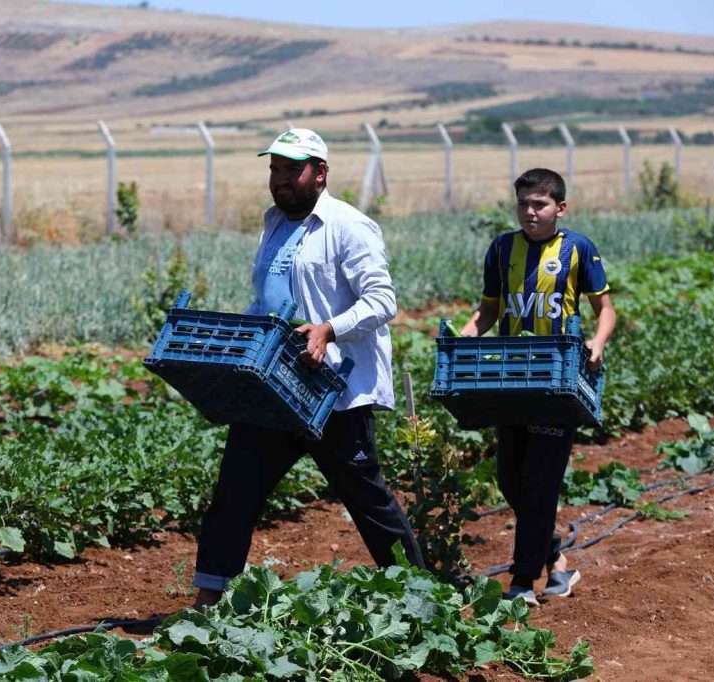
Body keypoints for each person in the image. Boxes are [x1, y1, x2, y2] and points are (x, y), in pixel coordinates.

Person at [192, 128, 425, 608]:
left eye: (290, 169)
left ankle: (423, 595)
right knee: (235, 491)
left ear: (319, 173)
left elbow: (382, 301)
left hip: (333, 391)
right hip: (274, 387)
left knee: (368, 501)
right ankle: (208, 600)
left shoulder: (349, 225)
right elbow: (268, 298)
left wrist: (328, 329)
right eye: (274, 168)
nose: (279, 179)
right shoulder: (273, 222)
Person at [460, 168, 617, 606]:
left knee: (540, 485)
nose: (530, 212)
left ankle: (521, 582)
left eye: (540, 205)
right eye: (524, 204)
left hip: (558, 380)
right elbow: (487, 311)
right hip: (511, 377)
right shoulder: (501, 249)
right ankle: (557, 562)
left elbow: (606, 310)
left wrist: (597, 342)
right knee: (510, 478)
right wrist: (470, 332)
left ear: (559, 208)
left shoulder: (577, 249)